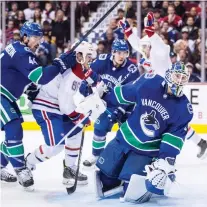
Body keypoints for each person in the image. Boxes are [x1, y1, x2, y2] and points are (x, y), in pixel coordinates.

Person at [81, 61, 193, 203]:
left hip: (146, 151)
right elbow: (124, 93)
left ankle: (160, 179)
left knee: (132, 192)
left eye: (184, 78)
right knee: (104, 181)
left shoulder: (184, 109)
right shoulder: (149, 83)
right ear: (169, 75)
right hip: (123, 139)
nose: (180, 81)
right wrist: (102, 97)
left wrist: (164, 162)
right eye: (177, 76)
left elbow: (173, 139)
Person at [0, 21, 76, 189]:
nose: (39, 41)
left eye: (40, 37)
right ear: (25, 37)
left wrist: (32, 91)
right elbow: (40, 77)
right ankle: (21, 169)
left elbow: (22, 78)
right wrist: (59, 64)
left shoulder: (20, 50)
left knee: (14, 132)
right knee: (14, 128)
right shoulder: (22, 53)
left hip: (6, 96)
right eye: (35, 37)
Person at [120, 12, 205, 160]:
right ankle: (201, 143)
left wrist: (151, 33)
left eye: (146, 46)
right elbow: (137, 45)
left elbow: (162, 48)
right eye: (144, 47)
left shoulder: (159, 54)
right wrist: (128, 32)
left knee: (171, 124)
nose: (143, 49)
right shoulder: (147, 55)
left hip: (167, 92)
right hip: (157, 93)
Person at [25, 41, 96, 186]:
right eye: (88, 56)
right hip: (46, 107)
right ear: (79, 54)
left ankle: (69, 168)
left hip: (55, 107)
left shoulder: (74, 66)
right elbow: (65, 102)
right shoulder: (75, 70)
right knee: (55, 145)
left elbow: (66, 97)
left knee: (75, 131)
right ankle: (27, 163)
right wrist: (77, 116)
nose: (91, 60)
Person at [79, 39, 140, 167]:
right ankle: (96, 155)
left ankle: (130, 156)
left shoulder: (132, 69)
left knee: (128, 130)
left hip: (127, 104)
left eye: (124, 52)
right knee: (100, 126)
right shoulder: (102, 60)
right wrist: (86, 86)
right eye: (118, 52)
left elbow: (132, 94)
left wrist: (121, 110)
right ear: (113, 52)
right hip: (106, 103)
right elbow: (89, 75)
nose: (121, 56)